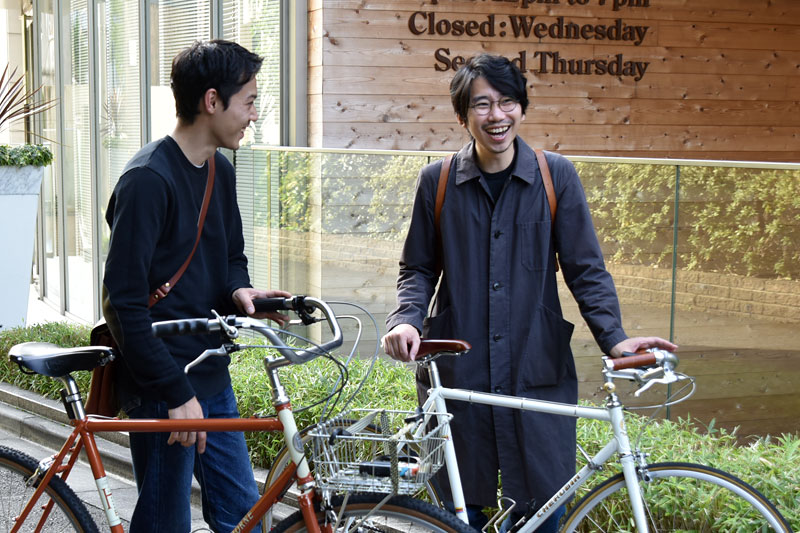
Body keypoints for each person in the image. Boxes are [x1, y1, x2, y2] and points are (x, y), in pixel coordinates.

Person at [382, 53, 677, 532]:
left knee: (544, 506)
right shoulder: (436, 183)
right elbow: (417, 267)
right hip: (461, 373)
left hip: (535, 370)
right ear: (463, 116)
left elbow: (586, 270)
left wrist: (615, 339)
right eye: (482, 105)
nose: (496, 116)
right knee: (460, 513)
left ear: (521, 108)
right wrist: (406, 319)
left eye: (507, 102)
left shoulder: (554, 176)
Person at [103, 40, 289, 532]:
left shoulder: (219, 171)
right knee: (166, 521)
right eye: (248, 101)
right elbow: (121, 303)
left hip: (209, 370)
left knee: (244, 515)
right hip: (162, 382)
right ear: (212, 101)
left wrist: (240, 291)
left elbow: (230, 256)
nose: (253, 114)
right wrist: (173, 391)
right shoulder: (147, 180)